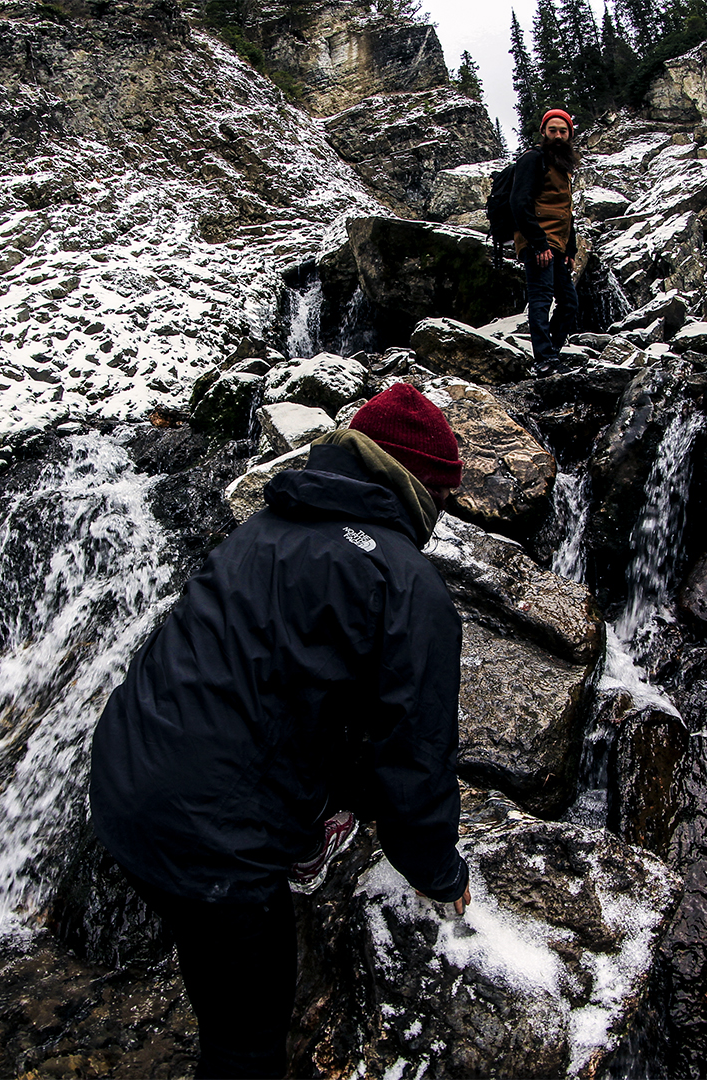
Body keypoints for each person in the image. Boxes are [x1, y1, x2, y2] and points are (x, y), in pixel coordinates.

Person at [90, 382, 472, 1079]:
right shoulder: (405, 581)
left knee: (216, 980)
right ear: (420, 486)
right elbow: (415, 749)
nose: (442, 516)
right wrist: (438, 872)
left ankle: (299, 841)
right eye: (443, 499)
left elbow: (273, 687)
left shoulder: (265, 526)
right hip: (212, 843)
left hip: (121, 781)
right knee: (248, 1045)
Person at [510, 108, 581, 368]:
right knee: (541, 298)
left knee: (569, 303)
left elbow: (566, 213)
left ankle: (550, 351)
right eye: (553, 130)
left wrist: (570, 250)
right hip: (538, 241)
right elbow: (519, 202)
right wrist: (538, 242)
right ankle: (545, 358)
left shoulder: (563, 167)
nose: (558, 135)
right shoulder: (533, 159)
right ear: (543, 132)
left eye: (563, 131)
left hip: (558, 244)